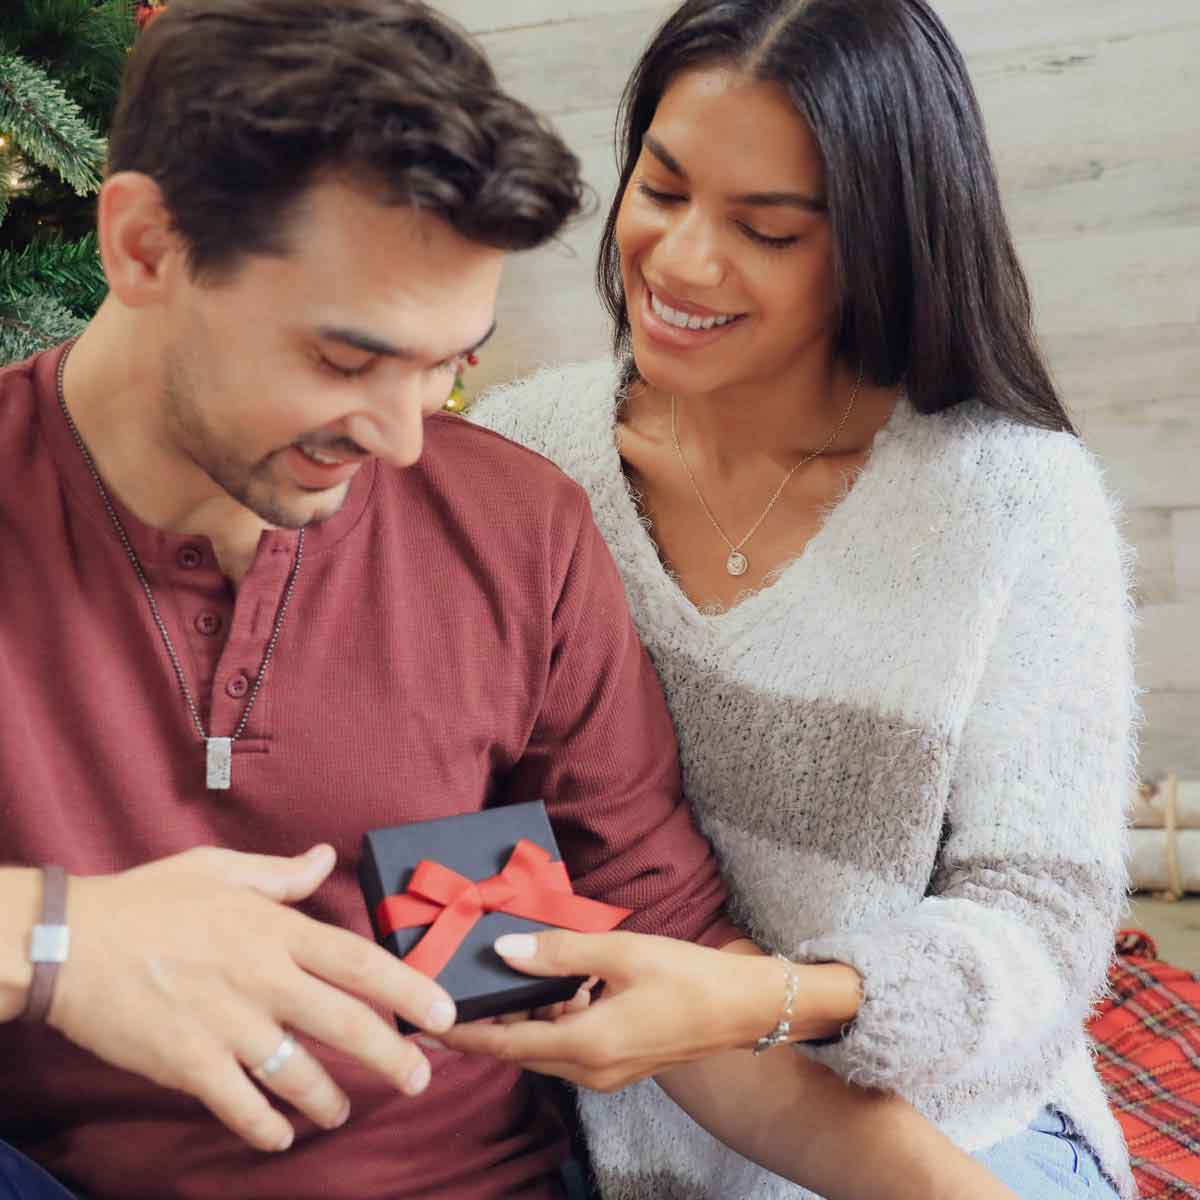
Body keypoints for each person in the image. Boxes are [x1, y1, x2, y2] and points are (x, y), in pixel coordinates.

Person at [0, 2, 1026, 1199]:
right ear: (142, 245)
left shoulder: (513, 526)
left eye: (444, 364)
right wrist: (56, 937)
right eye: (345, 359)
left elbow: (669, 955)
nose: (401, 438)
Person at [463, 0, 1136, 1197]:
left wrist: (777, 999)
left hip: (937, 1125)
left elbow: (1044, 918)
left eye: (766, 230)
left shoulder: (1011, 502)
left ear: (886, 244)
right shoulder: (527, 460)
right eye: (661, 191)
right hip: (620, 1132)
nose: (679, 263)